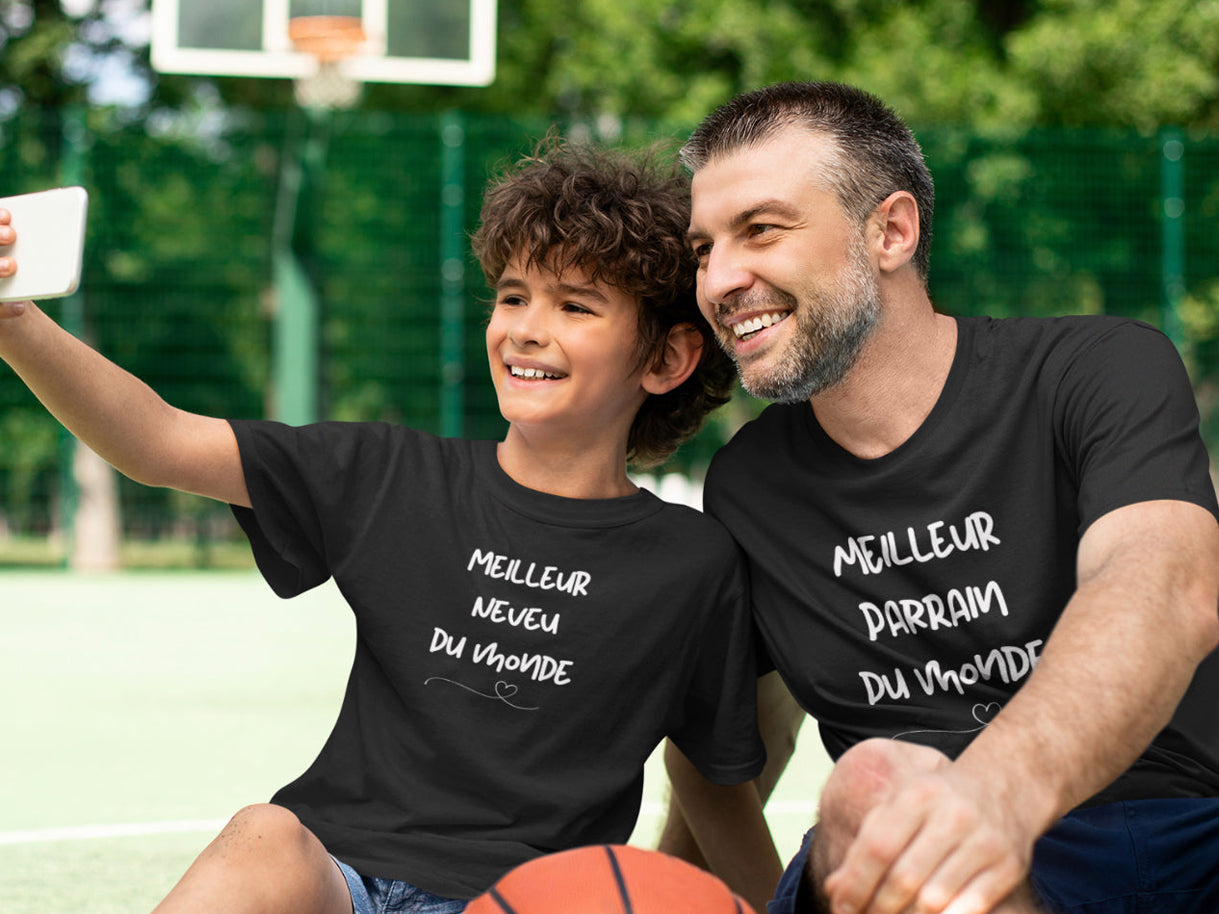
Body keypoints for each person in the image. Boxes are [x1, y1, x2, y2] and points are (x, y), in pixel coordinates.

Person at [0, 140, 770, 914]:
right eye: (511, 297)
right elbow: (157, 442)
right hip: (340, 881)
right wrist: (12, 322)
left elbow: (709, 777)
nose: (525, 330)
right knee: (263, 833)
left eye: (574, 305)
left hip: (520, 900)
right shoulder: (390, 475)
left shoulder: (691, 563)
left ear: (667, 358)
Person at [661, 80, 1219, 914]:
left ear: (889, 230)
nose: (718, 279)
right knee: (871, 785)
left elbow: (1161, 585)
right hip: (900, 860)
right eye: (704, 248)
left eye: (761, 231)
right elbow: (734, 741)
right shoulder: (749, 485)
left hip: (1169, 832)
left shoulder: (1095, 370)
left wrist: (994, 791)